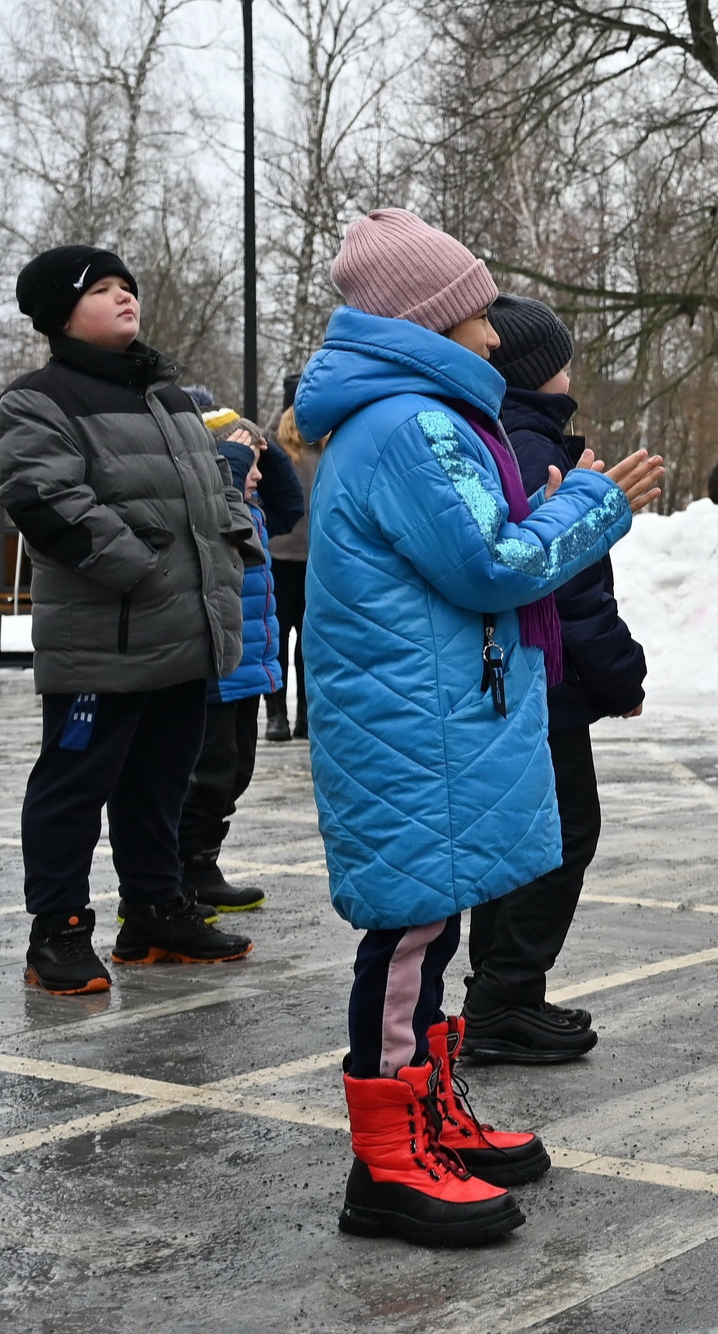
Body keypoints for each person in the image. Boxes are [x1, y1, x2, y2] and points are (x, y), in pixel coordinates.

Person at [294, 208, 662, 1247]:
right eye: (475, 312)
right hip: (413, 721)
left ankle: (430, 1114)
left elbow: (476, 547)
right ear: (427, 319)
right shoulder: (411, 423)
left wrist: (535, 508)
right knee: (407, 933)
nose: (495, 336)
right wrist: (588, 506)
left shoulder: (419, 414)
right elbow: (490, 566)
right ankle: (386, 1162)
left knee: (435, 918)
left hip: (437, 711)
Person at [3, 246, 259, 994]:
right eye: (103, 289)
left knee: (162, 780)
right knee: (74, 782)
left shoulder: (169, 396)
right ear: (59, 314)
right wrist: (143, 568)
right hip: (103, 642)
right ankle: (58, 927)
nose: (125, 298)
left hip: (182, 633)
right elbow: (44, 499)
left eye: (128, 287)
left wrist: (232, 537)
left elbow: (218, 479)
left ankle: (153, 910)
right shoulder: (37, 399)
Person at [456, 295, 650, 1065]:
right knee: (564, 832)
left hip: (514, 677)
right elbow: (570, 587)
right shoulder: (536, 447)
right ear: (542, 369)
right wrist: (622, 674)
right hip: (546, 681)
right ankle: (504, 995)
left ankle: (501, 993)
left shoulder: (495, 432)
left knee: (519, 834)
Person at [177, 428, 297, 914]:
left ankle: (204, 864)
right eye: (249, 467)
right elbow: (220, 522)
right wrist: (229, 461)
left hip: (249, 666)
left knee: (235, 772)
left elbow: (291, 506)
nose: (257, 477)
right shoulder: (215, 511)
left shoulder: (256, 511)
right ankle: (177, 873)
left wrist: (271, 448)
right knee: (208, 774)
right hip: (218, 670)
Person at [266, 375, 319, 744]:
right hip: (297, 557)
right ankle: (290, 718)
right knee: (293, 643)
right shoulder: (282, 444)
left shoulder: (279, 446)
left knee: (291, 643)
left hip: (295, 557)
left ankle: (290, 717)